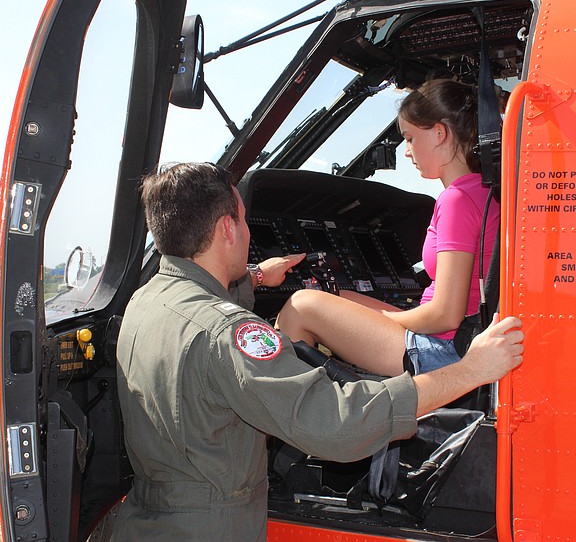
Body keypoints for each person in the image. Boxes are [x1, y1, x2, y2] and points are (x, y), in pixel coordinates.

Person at [112, 161, 522, 541]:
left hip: (147, 517)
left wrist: (256, 275)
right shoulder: (229, 335)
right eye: (242, 219)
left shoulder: (144, 300)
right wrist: (470, 371)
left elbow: (202, 302)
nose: (247, 229)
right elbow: (339, 424)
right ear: (227, 230)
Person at [276, 79, 499, 377]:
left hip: (442, 350)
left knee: (300, 305)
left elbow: (446, 314)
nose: (407, 151)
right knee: (337, 297)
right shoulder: (486, 192)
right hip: (457, 337)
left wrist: (381, 320)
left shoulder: (456, 200)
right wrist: (372, 317)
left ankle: (310, 417)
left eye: (410, 138)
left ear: (439, 133)